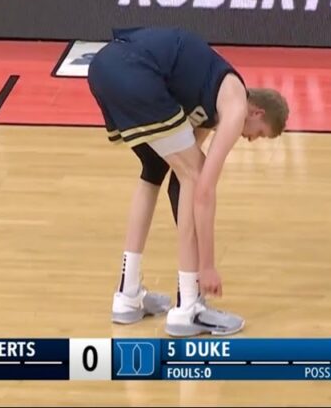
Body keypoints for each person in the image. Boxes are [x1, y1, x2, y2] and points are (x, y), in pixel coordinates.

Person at [87, 26, 289, 337]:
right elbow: (203, 188)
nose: (251, 140)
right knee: (196, 173)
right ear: (256, 111)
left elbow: (180, 182)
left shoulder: (210, 102)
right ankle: (189, 307)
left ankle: (127, 296)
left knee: (155, 168)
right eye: (259, 132)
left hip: (104, 69)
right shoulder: (235, 105)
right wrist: (207, 265)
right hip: (135, 71)